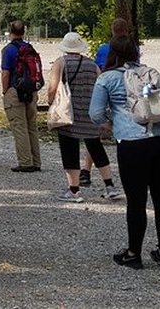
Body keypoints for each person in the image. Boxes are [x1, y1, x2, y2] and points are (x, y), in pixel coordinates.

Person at [89, 35, 160, 270]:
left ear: (112, 53)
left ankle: (133, 253)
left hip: (133, 143)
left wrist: (112, 121)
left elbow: (95, 113)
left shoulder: (107, 78)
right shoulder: (150, 72)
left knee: (136, 201)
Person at [46, 32, 120, 203]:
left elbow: (52, 87)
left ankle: (74, 190)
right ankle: (110, 186)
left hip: (69, 114)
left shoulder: (61, 62)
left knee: (69, 149)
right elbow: (101, 86)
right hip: (90, 114)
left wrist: (51, 102)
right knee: (96, 148)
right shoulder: (92, 64)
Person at [82, 18, 133, 186]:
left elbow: (98, 70)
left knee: (94, 136)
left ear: (112, 30)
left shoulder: (105, 49)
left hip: (107, 90)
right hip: (129, 95)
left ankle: (87, 170)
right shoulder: (134, 48)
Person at [1, 20, 41, 172]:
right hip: (31, 90)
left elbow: (6, 73)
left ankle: (25, 162)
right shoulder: (29, 48)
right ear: (24, 32)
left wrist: (5, 92)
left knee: (19, 126)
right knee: (32, 126)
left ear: (10, 31)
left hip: (15, 89)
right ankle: (36, 161)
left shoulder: (9, 50)